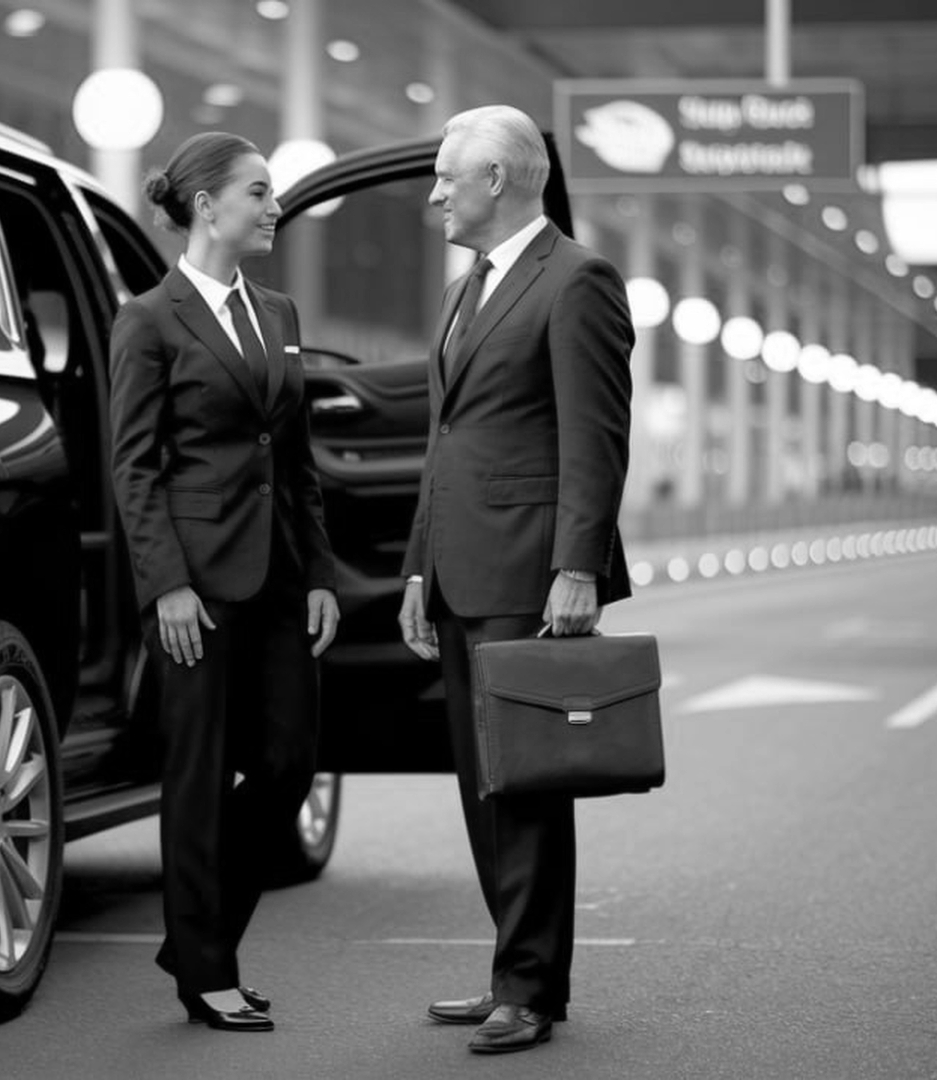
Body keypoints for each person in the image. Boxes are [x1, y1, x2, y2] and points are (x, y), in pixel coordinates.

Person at [397, 105, 634, 1055]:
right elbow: (442, 443)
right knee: (483, 784)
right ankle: (513, 971)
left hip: (529, 573)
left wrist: (576, 564)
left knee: (527, 785)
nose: (435, 194)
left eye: (447, 177)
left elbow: (595, 436)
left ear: (496, 179)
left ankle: (529, 989)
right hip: (459, 570)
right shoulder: (468, 291)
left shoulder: (577, 280)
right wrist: (416, 567)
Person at [108, 131, 341, 1033]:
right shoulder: (149, 318)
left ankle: (194, 933)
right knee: (198, 776)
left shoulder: (277, 313)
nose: (273, 205)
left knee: (287, 764)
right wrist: (163, 584)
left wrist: (319, 572)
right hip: (194, 587)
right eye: (258, 191)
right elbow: (132, 467)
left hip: (279, 576)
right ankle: (207, 967)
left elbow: (296, 456)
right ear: (207, 206)